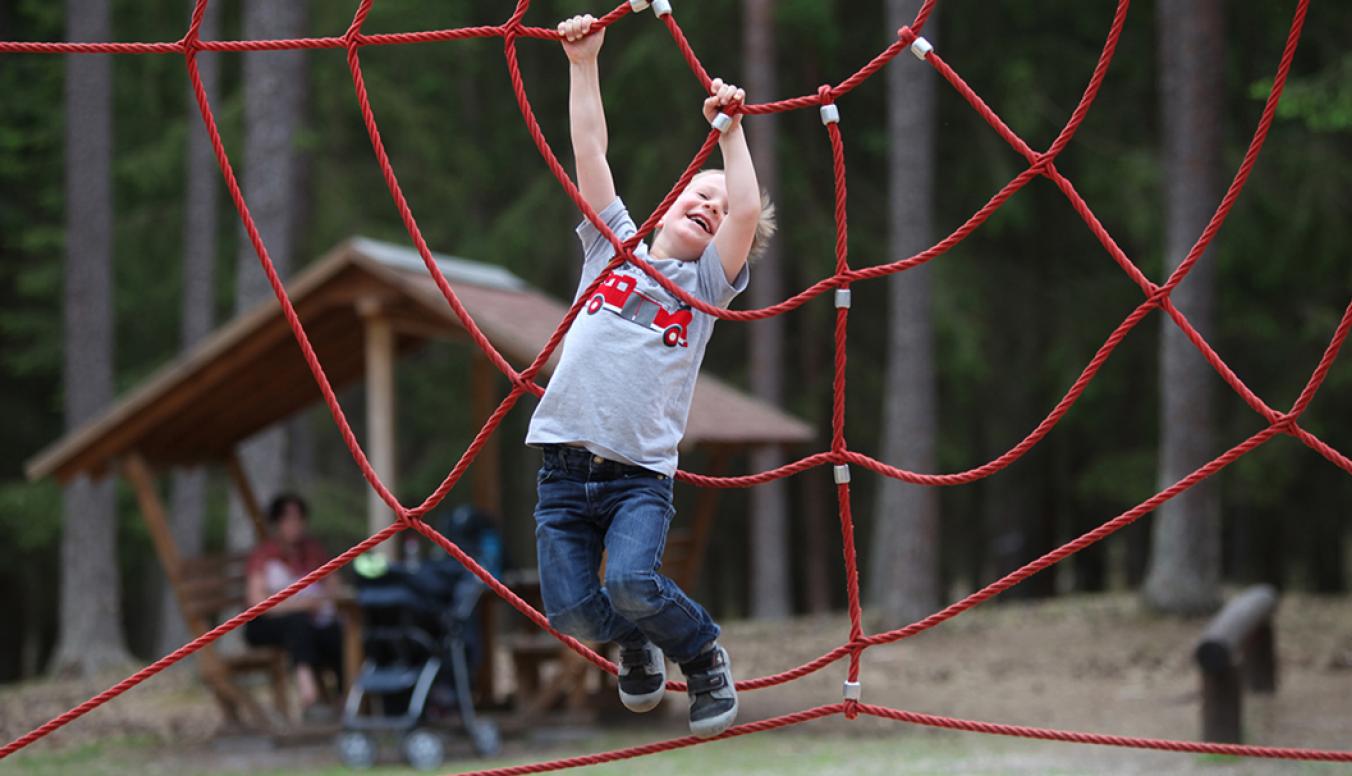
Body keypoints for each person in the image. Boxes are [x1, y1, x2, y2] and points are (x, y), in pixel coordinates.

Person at [524, 14, 776, 738]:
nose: (711, 204)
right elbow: (590, 147)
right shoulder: (612, 250)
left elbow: (750, 206)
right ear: (667, 203)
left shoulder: (702, 286)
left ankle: (698, 654)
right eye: (701, 192)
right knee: (573, 610)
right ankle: (634, 640)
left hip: (639, 474)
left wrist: (730, 131)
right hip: (564, 468)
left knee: (634, 582)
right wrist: (583, 63)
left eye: (722, 210)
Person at [243, 493, 343, 719]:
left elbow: (335, 586)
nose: (295, 525)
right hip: (268, 624)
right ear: (278, 522)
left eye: (299, 519)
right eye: (289, 519)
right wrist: (298, 605)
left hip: (312, 621)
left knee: (337, 633)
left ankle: (346, 699)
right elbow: (256, 601)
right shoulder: (264, 555)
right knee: (298, 625)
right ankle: (310, 698)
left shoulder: (313, 551)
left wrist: (320, 601)